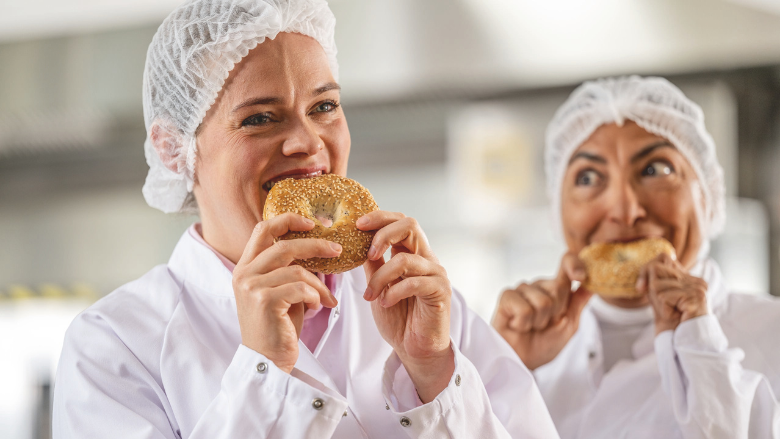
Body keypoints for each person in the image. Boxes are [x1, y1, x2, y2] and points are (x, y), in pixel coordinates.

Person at [51, 1, 559, 438]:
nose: (308, 143)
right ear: (173, 150)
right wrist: (263, 374)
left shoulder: (425, 309)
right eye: (259, 118)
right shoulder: (115, 344)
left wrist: (432, 372)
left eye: (325, 106)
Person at [492, 75, 780, 439]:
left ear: (707, 194)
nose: (625, 211)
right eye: (587, 177)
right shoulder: (522, 359)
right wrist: (499, 373)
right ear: (557, 209)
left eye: (655, 170)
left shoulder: (772, 335)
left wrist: (701, 350)